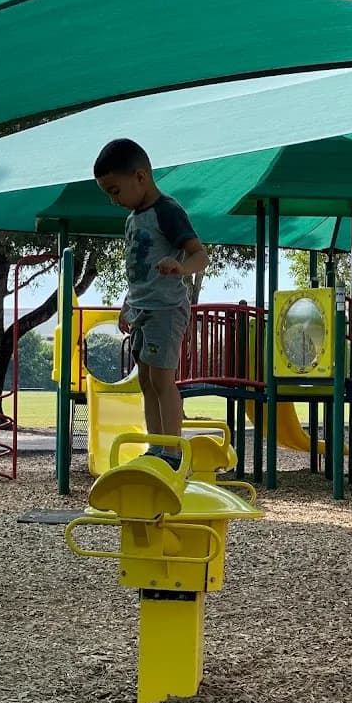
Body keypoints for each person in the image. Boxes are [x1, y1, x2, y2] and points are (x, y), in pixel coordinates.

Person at [93, 138, 209, 470]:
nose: (114, 200)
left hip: (166, 310)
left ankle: (172, 452)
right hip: (142, 309)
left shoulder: (167, 211)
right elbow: (138, 272)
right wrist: (128, 304)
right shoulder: (132, 220)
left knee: (161, 380)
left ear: (140, 177)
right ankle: (156, 448)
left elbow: (200, 254)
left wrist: (182, 267)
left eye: (115, 191)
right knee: (145, 381)